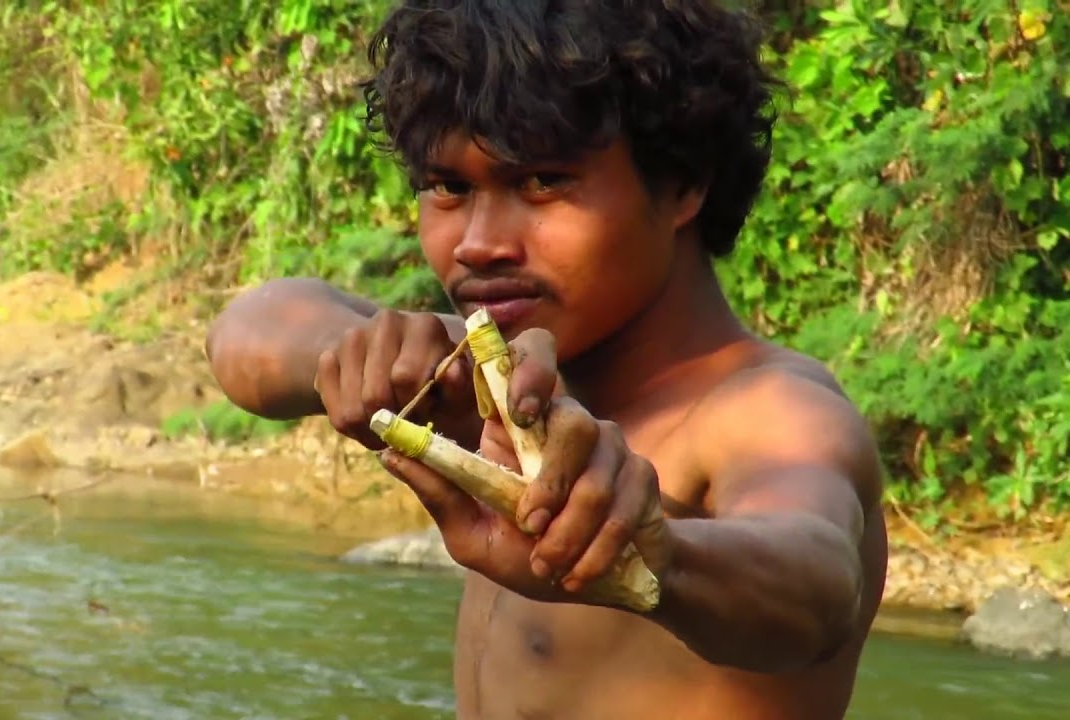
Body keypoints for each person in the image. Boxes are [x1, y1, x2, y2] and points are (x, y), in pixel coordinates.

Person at [206, 1, 889, 718]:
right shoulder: (505, 381)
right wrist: (351, 360)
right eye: (449, 187)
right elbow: (244, 337)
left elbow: (817, 582)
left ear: (685, 184)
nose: (478, 242)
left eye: (541, 182)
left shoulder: (768, 409)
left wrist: (652, 552)